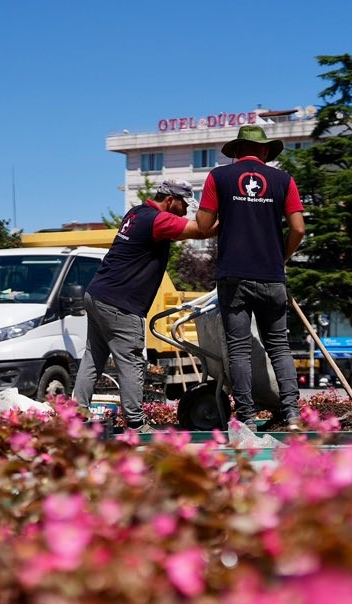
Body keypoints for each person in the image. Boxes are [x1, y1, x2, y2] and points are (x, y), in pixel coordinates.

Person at [73, 179, 210, 431]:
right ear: (170, 200)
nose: (186, 211)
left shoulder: (136, 213)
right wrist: (237, 218)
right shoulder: (157, 220)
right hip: (120, 303)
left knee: (93, 357)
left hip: (98, 293)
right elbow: (202, 230)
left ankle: (73, 415)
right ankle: (136, 425)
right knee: (132, 361)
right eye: (184, 205)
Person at [195, 125, 306, 430]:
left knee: (238, 349)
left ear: (236, 151)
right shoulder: (284, 180)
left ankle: (246, 418)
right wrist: (281, 257)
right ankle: (293, 413)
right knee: (280, 347)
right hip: (272, 276)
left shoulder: (219, 177)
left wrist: (228, 215)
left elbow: (204, 226)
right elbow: (298, 228)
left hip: (234, 276)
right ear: (266, 151)